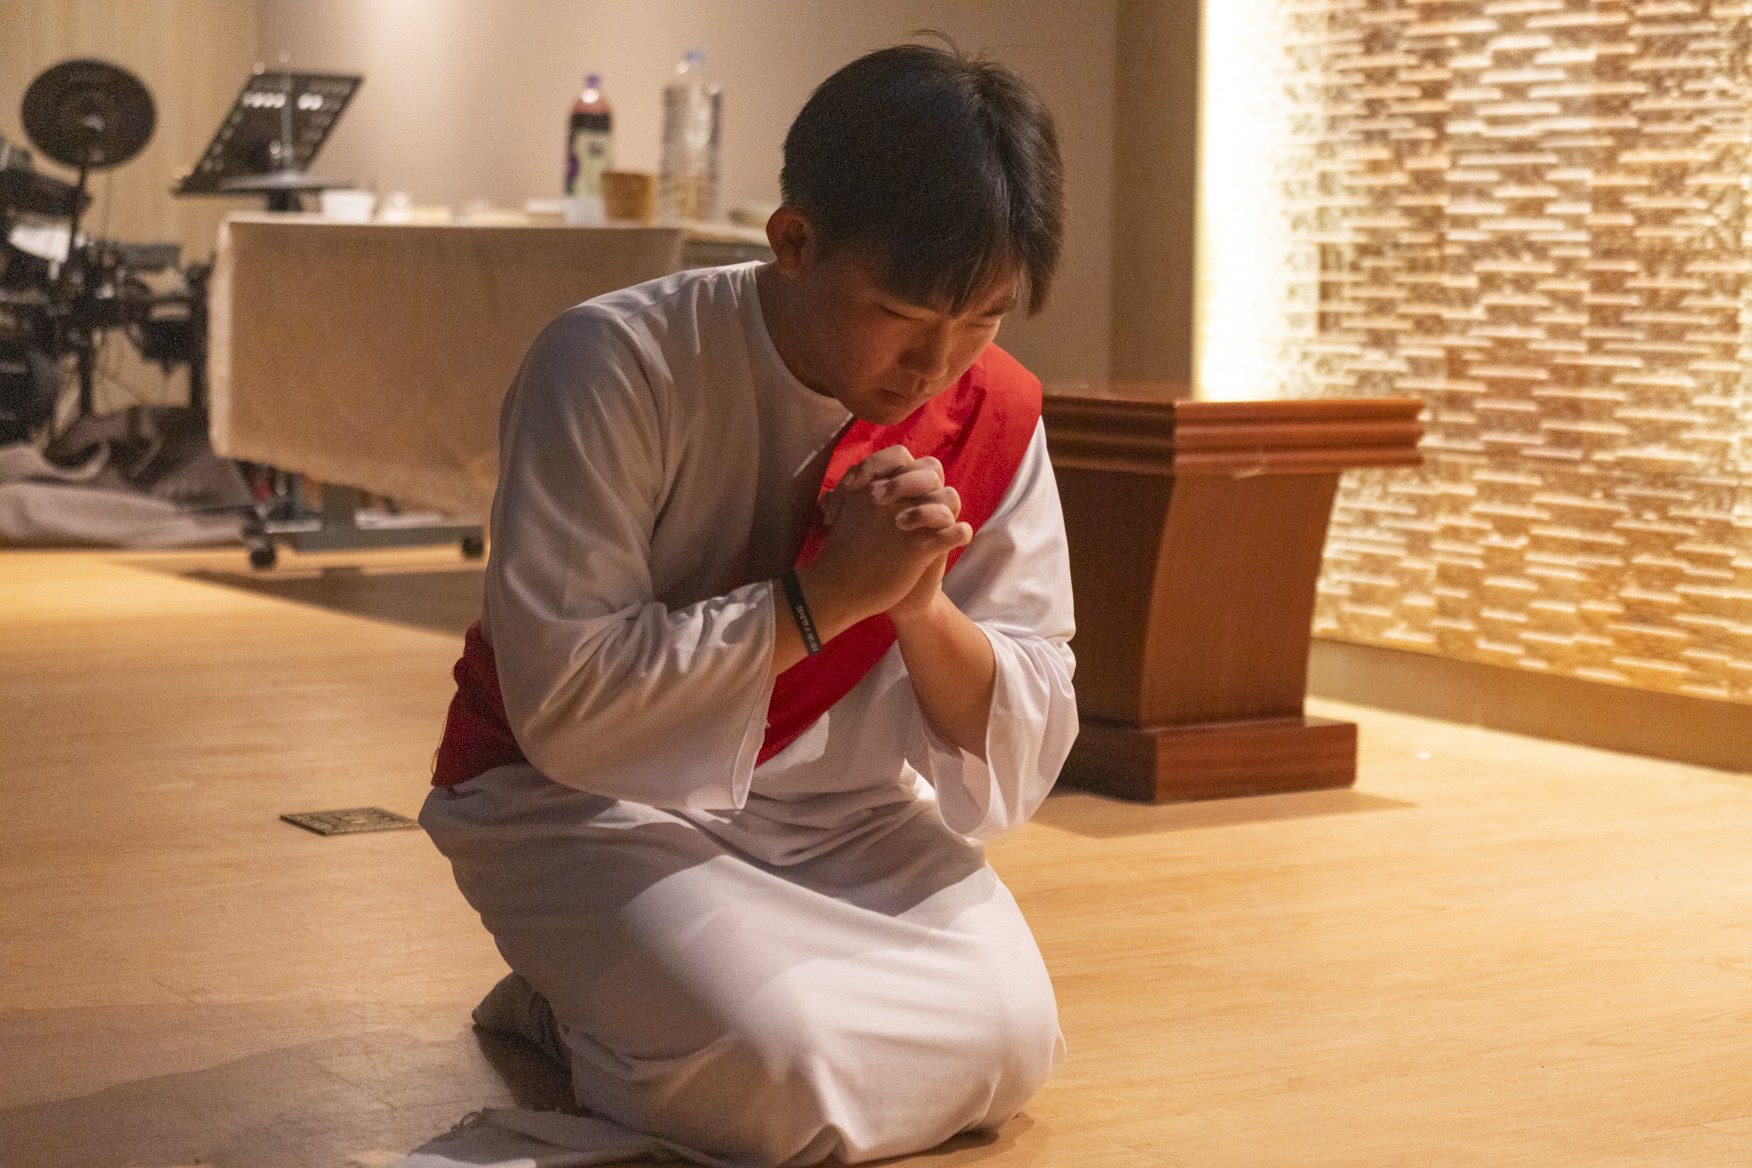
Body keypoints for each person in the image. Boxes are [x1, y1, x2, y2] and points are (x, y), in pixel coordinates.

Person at [417, 40, 1077, 1168]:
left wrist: (918, 607)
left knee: (1011, 1049)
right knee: (779, 1071)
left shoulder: (995, 409)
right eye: (904, 312)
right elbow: (567, 697)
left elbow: (1030, 691)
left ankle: (626, 1011)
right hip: (589, 802)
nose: (938, 364)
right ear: (793, 240)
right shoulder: (616, 363)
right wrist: (824, 598)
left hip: (841, 810)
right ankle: (571, 1010)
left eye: (984, 318)